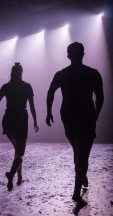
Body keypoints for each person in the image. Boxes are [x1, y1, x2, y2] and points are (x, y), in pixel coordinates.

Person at [46, 42, 104, 206]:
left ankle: (81, 175)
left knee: (78, 150)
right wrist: (97, 113)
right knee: (83, 153)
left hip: (68, 114)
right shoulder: (92, 73)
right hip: (86, 114)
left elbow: (50, 92)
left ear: (68, 56)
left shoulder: (62, 74)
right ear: (83, 54)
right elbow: (100, 96)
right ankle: (76, 192)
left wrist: (49, 112)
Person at [0, 63, 39, 191]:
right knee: (20, 153)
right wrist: (35, 121)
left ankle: (19, 178)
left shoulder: (6, 86)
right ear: (21, 73)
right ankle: (11, 175)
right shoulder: (26, 86)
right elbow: (31, 106)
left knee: (17, 151)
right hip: (20, 119)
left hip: (8, 119)